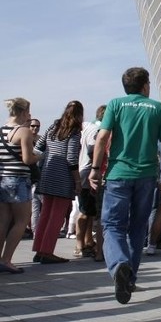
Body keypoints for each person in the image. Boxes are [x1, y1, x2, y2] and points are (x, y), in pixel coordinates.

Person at [90, 67, 161, 304]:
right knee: (138, 227)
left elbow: (102, 137)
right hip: (147, 175)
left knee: (112, 225)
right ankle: (130, 276)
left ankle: (119, 265)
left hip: (118, 173)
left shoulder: (115, 104)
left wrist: (95, 169)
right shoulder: (158, 108)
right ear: (145, 85)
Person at [33, 101, 84, 264]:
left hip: (47, 174)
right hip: (62, 178)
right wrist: (77, 181)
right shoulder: (74, 132)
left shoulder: (53, 126)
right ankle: (47, 251)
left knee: (45, 214)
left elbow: (39, 147)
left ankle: (39, 249)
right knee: (57, 216)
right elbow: (71, 158)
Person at [0, 98, 39, 274]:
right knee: (22, 221)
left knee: (3, 221)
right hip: (19, 180)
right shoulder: (23, 131)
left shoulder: (1, 130)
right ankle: (6, 260)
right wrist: (41, 155)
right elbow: (28, 159)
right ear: (24, 112)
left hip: (3, 179)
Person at [76, 105, 105, 261]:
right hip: (89, 174)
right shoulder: (96, 130)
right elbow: (93, 151)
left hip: (85, 172)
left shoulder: (88, 127)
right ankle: (80, 244)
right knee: (85, 211)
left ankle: (87, 241)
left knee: (89, 211)